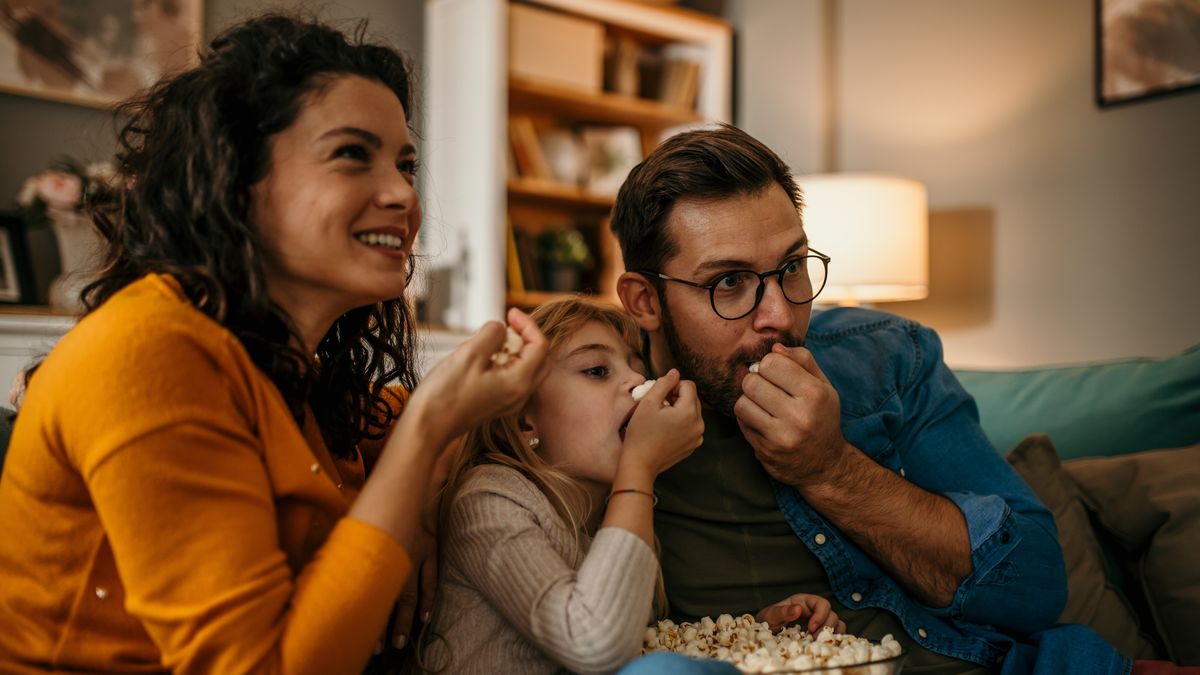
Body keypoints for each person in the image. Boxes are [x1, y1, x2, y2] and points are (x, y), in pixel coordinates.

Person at [0, 14, 549, 674]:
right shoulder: (148, 350)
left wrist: (428, 482)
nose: (403, 193)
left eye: (406, 164)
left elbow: (423, 424)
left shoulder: (292, 366)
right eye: (352, 154)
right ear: (236, 181)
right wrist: (427, 434)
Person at [608, 124, 1130, 675]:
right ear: (645, 301)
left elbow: (1035, 586)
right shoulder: (591, 406)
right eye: (729, 282)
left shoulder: (890, 359)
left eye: (792, 268)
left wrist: (830, 469)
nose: (782, 316)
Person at [419, 297, 847, 674]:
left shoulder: (616, 517)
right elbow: (594, 644)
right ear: (523, 417)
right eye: (596, 370)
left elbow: (634, 643)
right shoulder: (489, 501)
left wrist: (749, 634)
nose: (636, 385)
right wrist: (639, 470)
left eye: (635, 368)